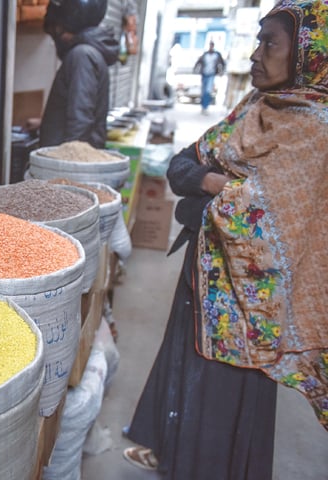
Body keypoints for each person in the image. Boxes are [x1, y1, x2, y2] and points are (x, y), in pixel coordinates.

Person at [122, 1, 328, 478]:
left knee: (222, 398)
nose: (256, 54)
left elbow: (259, 220)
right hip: (204, 275)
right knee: (185, 370)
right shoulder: (254, 107)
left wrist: (199, 199)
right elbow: (181, 166)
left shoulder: (314, 132)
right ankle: (170, 456)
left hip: (251, 307)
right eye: (258, 41)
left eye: (269, 43)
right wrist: (214, 186)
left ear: (305, 55)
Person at [38, 0, 119, 148]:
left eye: (56, 30)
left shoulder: (82, 56)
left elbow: (80, 124)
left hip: (66, 166)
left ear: (66, 27)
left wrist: (69, 161)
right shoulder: (88, 53)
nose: (56, 39)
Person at [193, 40, 225, 114]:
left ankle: (206, 106)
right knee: (203, 91)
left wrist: (221, 71)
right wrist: (195, 69)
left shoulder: (217, 55)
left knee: (208, 91)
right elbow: (198, 62)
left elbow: (222, 63)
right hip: (204, 74)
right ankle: (203, 106)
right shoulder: (205, 54)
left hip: (211, 74)